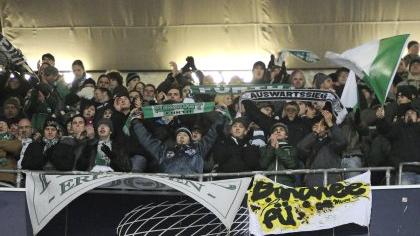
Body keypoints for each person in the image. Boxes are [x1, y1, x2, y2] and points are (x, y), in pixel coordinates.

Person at [130, 109, 226, 174]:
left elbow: (212, 134)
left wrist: (220, 115)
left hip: (193, 186)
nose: (181, 137)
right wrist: (135, 121)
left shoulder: (199, 149)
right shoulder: (164, 151)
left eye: (185, 135)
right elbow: (146, 139)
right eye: (179, 135)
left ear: (190, 138)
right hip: (170, 186)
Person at [297, 110, 347, 186]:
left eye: (321, 125)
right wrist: (315, 133)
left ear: (326, 129)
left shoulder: (333, 142)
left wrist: (330, 123)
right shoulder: (310, 143)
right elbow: (300, 147)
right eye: (315, 126)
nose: (318, 127)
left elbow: (342, 142)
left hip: (332, 178)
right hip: (313, 178)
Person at [376, 106, 420, 184]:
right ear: (404, 118)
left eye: (412, 113)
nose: (409, 115)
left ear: (418, 118)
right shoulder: (398, 128)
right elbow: (385, 130)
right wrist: (381, 119)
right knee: (405, 195)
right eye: (407, 114)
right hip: (404, 172)